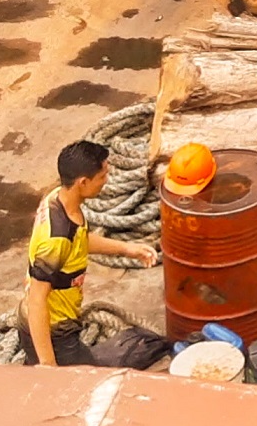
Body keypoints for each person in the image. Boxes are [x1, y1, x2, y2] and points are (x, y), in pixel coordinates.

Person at [21, 138, 171, 369]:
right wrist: (48, 365)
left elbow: (78, 240)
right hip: (55, 331)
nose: (106, 181)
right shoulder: (55, 240)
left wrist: (127, 249)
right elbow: (37, 299)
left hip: (55, 323)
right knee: (87, 380)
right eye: (102, 177)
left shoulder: (56, 200)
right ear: (83, 182)